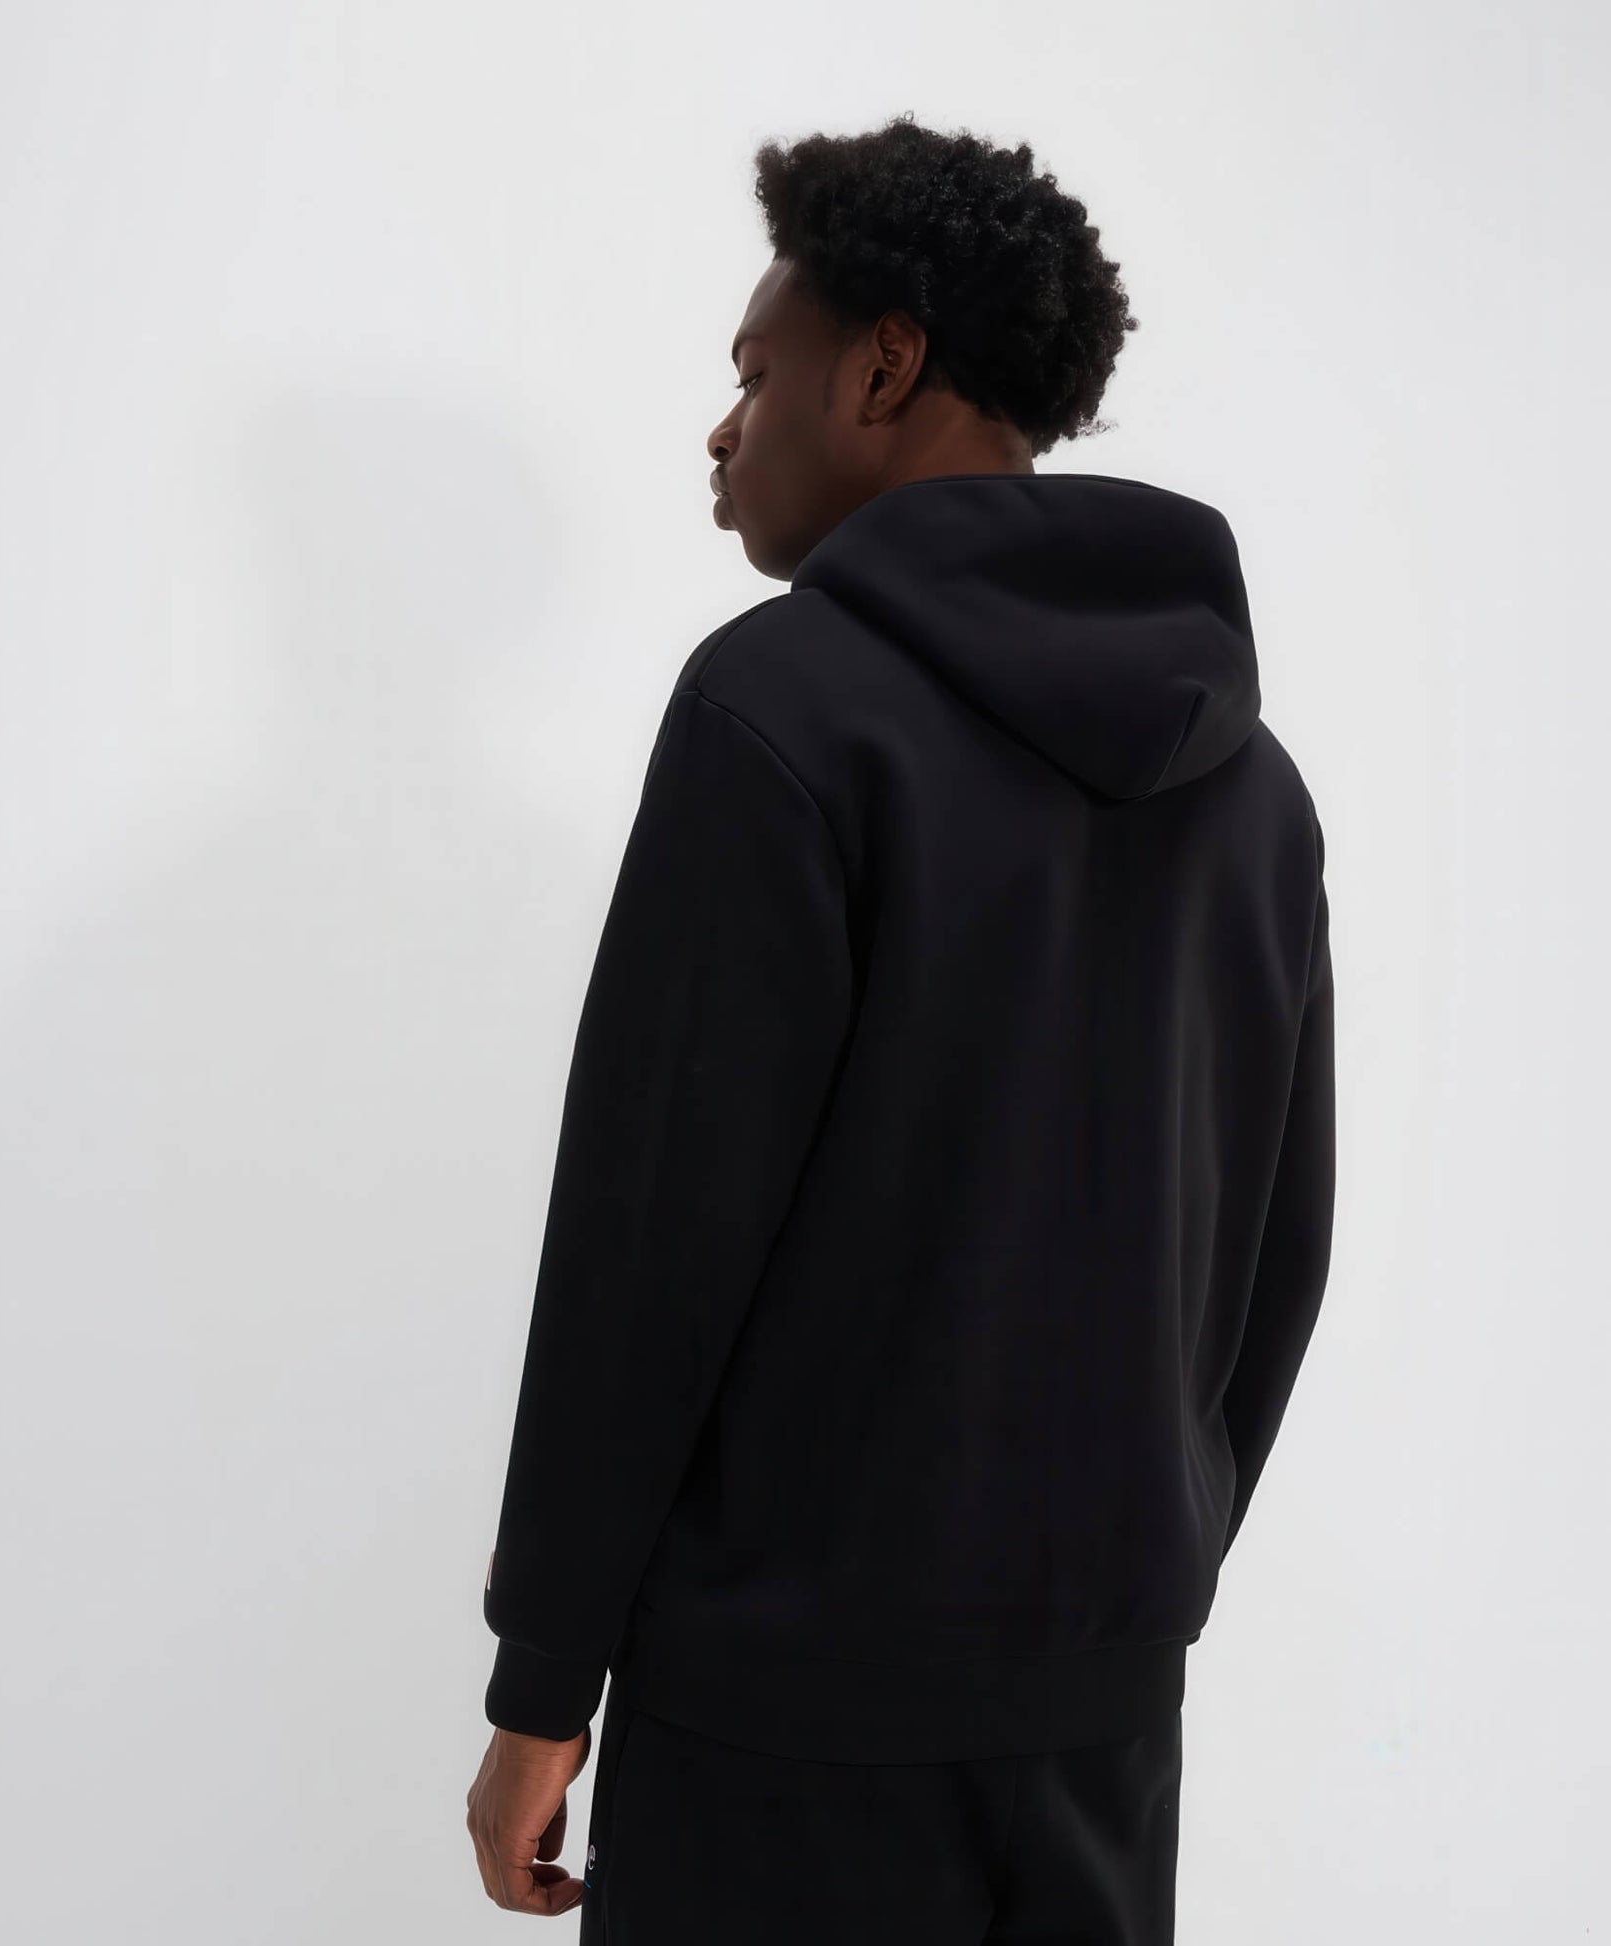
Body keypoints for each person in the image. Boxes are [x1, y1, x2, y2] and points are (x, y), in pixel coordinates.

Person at [465, 113, 1335, 1944]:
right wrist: (1140, 1572)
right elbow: (1274, 1251)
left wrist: (543, 1679)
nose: (722, 430)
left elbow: (653, 1236)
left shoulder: (776, 709)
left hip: (780, 1735)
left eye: (752, 373)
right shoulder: (1250, 788)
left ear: (882, 367)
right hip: (1100, 1730)